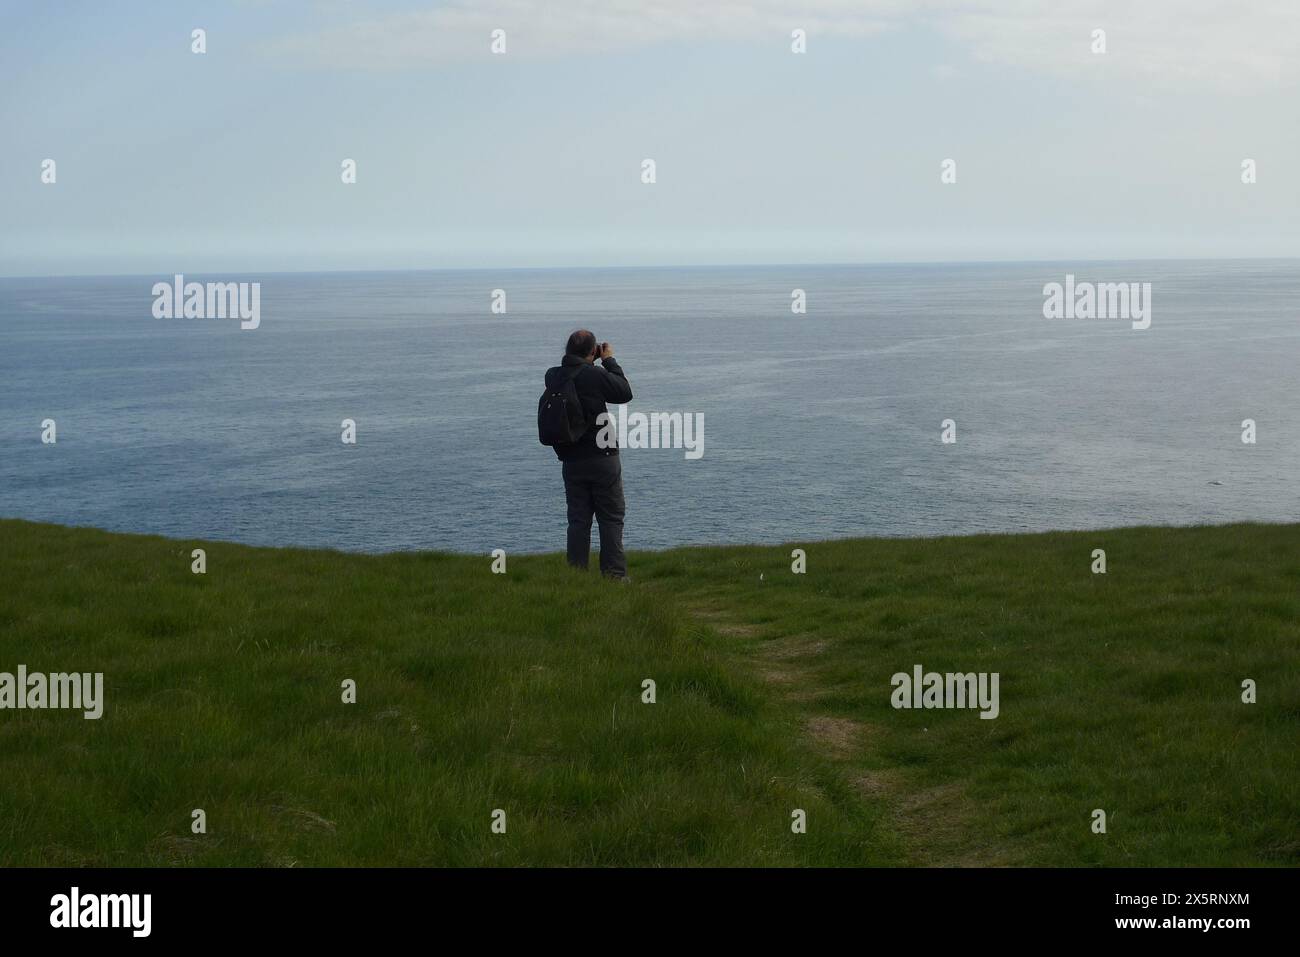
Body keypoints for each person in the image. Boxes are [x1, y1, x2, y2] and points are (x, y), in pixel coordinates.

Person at [544, 330, 633, 579]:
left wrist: (592, 360)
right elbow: (624, 392)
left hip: (571, 457)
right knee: (611, 518)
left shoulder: (553, 375)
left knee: (578, 520)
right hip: (603, 456)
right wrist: (609, 361)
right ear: (592, 352)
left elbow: (573, 378)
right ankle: (614, 576)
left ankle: (576, 575)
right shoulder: (594, 374)